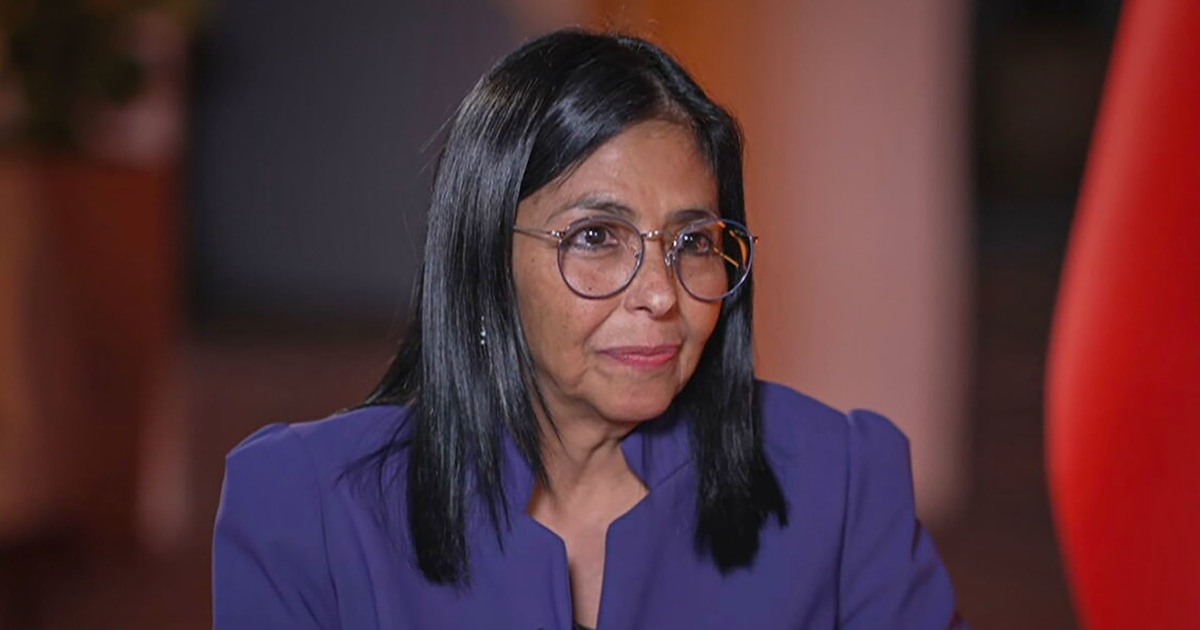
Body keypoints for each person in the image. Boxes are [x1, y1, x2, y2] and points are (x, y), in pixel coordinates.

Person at [212, 28, 966, 629]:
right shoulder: (306, 507)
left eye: (693, 242)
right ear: (485, 258)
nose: (661, 295)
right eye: (596, 237)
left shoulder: (840, 482)